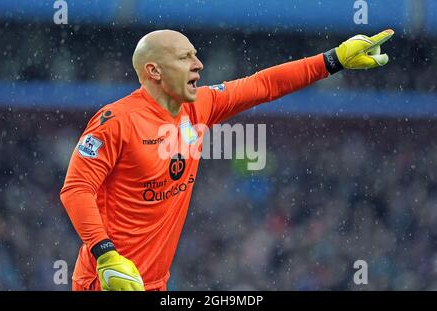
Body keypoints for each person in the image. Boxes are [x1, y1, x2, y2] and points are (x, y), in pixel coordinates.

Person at [60, 29, 394, 291]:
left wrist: (332, 60)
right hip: (106, 280)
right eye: (184, 57)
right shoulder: (116, 121)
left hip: (153, 282)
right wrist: (106, 256)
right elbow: (76, 188)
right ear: (154, 71)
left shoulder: (199, 106)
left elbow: (263, 84)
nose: (198, 64)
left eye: (196, 55)